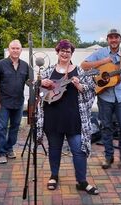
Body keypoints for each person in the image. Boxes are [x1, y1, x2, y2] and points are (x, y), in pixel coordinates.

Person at [37, 39, 99, 195]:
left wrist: (79, 85)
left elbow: (91, 90)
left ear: (72, 54)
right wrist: (41, 83)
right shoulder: (48, 71)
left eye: (68, 51)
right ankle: (54, 176)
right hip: (52, 116)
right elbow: (38, 90)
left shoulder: (80, 71)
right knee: (54, 148)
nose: (65, 54)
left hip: (74, 117)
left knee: (79, 150)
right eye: (62, 51)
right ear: (57, 52)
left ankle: (82, 181)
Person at [81, 29, 121, 172]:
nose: (113, 40)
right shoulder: (100, 53)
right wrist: (104, 61)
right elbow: (84, 65)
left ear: (120, 39)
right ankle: (109, 157)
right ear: (108, 40)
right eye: (111, 38)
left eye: (116, 37)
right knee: (106, 127)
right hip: (104, 97)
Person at [0, 39, 30, 164]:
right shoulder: (1, 64)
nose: (15, 50)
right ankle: (1, 152)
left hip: (18, 102)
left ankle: (9, 148)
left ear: (21, 50)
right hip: (3, 102)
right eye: (13, 48)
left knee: (15, 127)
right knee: (2, 128)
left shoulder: (25, 65)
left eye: (17, 48)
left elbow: (29, 81)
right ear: (9, 49)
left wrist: (38, 84)